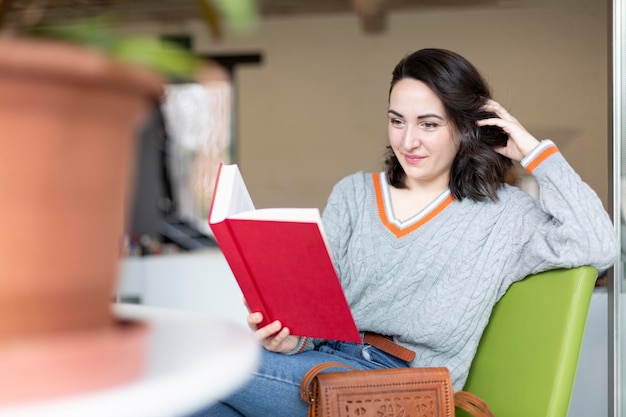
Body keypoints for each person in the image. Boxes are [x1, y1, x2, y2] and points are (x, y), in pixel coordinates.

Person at [192, 48, 618, 417]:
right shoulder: (354, 194)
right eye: (397, 121)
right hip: (323, 367)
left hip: (404, 390)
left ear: (466, 127)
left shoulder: (505, 216)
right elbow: (322, 312)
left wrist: (533, 151)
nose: (408, 140)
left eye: (429, 124)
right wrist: (291, 341)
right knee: (198, 404)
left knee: (199, 366)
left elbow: (598, 243)